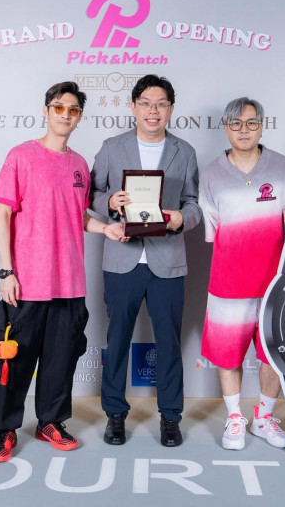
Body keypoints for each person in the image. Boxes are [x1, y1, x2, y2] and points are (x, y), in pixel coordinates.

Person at [0, 81, 126, 463]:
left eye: (73, 110)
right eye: (59, 108)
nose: (65, 115)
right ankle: (5, 429)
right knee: (13, 360)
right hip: (28, 281)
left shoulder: (79, 165)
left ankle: (50, 422)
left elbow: (77, 216)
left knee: (61, 359)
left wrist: (105, 228)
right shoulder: (21, 156)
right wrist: (6, 271)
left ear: (79, 117)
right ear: (46, 111)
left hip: (69, 283)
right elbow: (2, 214)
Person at [199, 96, 285, 451]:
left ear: (262, 127)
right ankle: (234, 418)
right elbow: (214, 231)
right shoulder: (211, 174)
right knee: (228, 353)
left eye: (251, 123)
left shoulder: (281, 166)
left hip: (276, 282)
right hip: (229, 283)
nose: (243, 130)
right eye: (235, 123)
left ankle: (263, 418)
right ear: (226, 128)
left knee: (273, 352)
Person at [90, 74, 201, 447]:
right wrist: (109, 202)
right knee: (117, 339)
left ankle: (170, 417)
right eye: (146, 103)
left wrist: (181, 218)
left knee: (169, 342)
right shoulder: (112, 147)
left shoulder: (184, 151)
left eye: (161, 104)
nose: (153, 110)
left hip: (167, 259)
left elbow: (193, 203)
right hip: (122, 258)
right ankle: (115, 414)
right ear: (133, 107)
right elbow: (92, 194)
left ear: (171, 109)